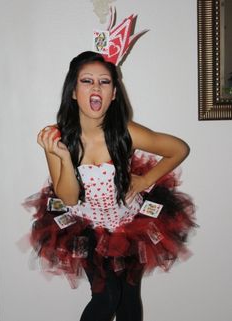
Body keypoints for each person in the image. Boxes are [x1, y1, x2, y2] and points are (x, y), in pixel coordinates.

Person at [30, 51, 196, 321]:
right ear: (73, 92)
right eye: (87, 81)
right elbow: (69, 197)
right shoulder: (57, 137)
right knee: (106, 296)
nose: (96, 87)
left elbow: (178, 149)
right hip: (87, 229)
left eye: (104, 82)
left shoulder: (125, 132)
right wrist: (63, 157)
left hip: (130, 225)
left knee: (128, 300)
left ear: (114, 93)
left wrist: (144, 180)